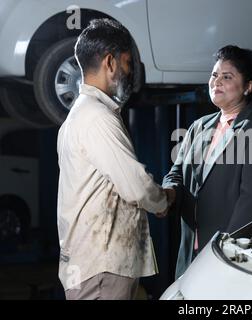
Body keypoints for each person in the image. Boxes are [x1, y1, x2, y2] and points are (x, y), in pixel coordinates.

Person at [57, 18, 169, 300]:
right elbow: (136, 185)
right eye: (128, 62)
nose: (130, 71)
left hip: (93, 263)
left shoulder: (79, 115)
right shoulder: (97, 117)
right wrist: (164, 200)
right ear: (110, 62)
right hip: (102, 266)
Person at [162, 45, 252, 278]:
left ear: (248, 87)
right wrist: (168, 193)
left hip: (227, 258)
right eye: (214, 75)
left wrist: (224, 256)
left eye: (227, 77)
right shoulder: (199, 127)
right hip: (189, 255)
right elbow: (176, 172)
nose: (216, 82)